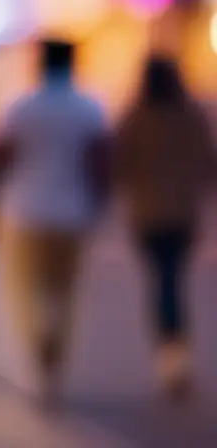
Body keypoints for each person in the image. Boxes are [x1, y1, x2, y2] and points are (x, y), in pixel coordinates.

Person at [0, 40, 108, 408]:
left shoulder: (21, 106)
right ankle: (54, 361)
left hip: (24, 211)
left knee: (26, 289)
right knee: (64, 291)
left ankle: (38, 351)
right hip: (73, 212)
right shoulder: (89, 107)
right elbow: (99, 162)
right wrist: (99, 204)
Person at [113, 55, 216, 400]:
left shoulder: (136, 116)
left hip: (148, 214)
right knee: (173, 279)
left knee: (162, 281)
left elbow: (119, 161)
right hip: (183, 213)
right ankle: (176, 355)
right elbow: (208, 159)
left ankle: (170, 353)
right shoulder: (191, 115)